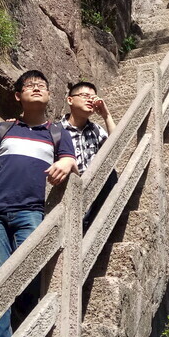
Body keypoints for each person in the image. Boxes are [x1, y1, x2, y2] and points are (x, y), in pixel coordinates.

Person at [0, 70, 78, 337]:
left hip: (30, 211)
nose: (37, 87)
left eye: (42, 85)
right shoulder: (1, 130)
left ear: (50, 95)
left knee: (29, 271)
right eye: (29, 85)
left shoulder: (57, 133)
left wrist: (66, 163)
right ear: (18, 96)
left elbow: (71, 161)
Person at [61, 81, 118, 230]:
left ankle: (88, 225)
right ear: (70, 99)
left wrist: (106, 115)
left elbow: (116, 145)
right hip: (68, 186)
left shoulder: (96, 129)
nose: (90, 100)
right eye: (85, 95)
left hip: (94, 184)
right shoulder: (55, 129)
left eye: (93, 97)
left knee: (110, 174)